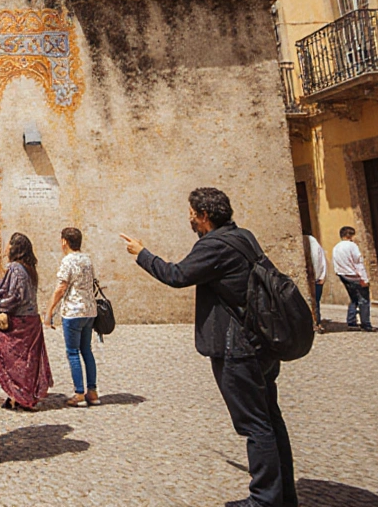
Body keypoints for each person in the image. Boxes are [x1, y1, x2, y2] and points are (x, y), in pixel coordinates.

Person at [123, 187, 297, 507]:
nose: (189, 219)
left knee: (255, 424)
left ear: (204, 216)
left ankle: (264, 500)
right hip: (261, 344)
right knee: (269, 418)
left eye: (191, 214)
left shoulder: (214, 246)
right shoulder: (243, 237)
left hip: (238, 348)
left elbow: (176, 275)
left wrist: (142, 253)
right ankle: (283, 495)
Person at [0, 232, 53, 411]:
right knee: (25, 361)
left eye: (9, 244)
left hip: (19, 322)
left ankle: (17, 395)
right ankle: (17, 396)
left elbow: (14, 295)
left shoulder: (16, 268)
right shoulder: (29, 269)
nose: (6, 247)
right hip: (31, 321)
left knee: (8, 357)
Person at [45, 227, 99, 408]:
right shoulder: (87, 259)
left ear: (64, 242)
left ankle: (79, 393)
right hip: (89, 310)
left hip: (73, 312)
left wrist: (49, 310)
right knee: (87, 350)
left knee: (73, 352)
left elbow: (61, 288)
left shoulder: (67, 261)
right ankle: (92, 392)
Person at [332, 227, 372, 332]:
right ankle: (366, 324)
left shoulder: (336, 247)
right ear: (349, 235)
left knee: (354, 298)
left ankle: (351, 321)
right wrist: (364, 279)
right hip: (354, 276)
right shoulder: (352, 246)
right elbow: (358, 263)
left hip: (343, 275)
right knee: (364, 300)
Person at [306, 234, 327, 332]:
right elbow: (321, 260)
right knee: (315, 302)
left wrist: (322, 276)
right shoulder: (313, 242)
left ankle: (316, 322)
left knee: (315, 302)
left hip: (316, 278)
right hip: (317, 278)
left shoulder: (312, 242)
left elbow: (320, 260)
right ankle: (316, 323)